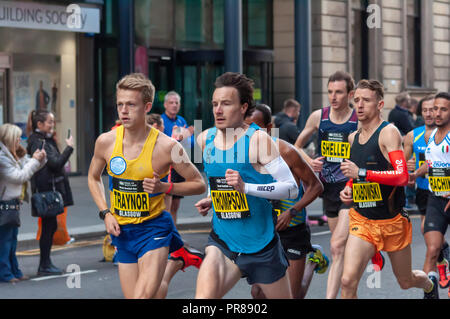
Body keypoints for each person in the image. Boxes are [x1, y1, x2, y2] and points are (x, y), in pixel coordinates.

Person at [87, 73, 206, 299]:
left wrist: (165, 188)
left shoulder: (167, 146)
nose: (123, 110)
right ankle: (176, 261)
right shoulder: (106, 141)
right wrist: (105, 213)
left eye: (131, 104)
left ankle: (173, 260)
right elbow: (93, 178)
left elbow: (199, 184)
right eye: (120, 104)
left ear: (146, 106)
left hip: (154, 229)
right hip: (122, 232)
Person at [194, 72, 299, 299]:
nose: (218, 110)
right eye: (214, 104)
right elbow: (219, 181)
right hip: (223, 243)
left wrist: (247, 188)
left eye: (226, 104)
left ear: (243, 107)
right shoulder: (205, 140)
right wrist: (212, 199)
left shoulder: (258, 140)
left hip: (261, 246)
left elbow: (291, 188)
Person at [339, 79, 433, 299]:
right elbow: (356, 174)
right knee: (347, 281)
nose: (360, 105)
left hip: (392, 221)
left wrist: (360, 174)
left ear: (379, 105)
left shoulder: (388, 133)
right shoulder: (353, 137)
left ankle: (429, 285)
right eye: (357, 100)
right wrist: (348, 187)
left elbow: (401, 177)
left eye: (366, 100)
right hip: (363, 220)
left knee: (405, 280)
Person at [294, 70, 363, 299]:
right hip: (328, 189)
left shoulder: (357, 120)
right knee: (339, 249)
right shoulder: (319, 117)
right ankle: (349, 288)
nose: (333, 97)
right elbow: (296, 147)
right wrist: (309, 160)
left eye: (339, 92)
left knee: (336, 245)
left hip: (351, 187)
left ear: (350, 94)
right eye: (330, 92)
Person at [246, 104, 326, 299]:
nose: (249, 134)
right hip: (265, 232)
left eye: (255, 128)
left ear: (269, 127)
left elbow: (316, 187)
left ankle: (314, 260)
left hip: (293, 229)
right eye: (245, 128)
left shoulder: (287, 152)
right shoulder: (243, 154)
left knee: (293, 296)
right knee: (257, 292)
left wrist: (292, 211)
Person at [409, 91, 450, 298]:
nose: (438, 113)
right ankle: (430, 292)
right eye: (436, 109)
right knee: (432, 248)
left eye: (443, 109)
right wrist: (415, 175)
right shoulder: (431, 137)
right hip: (436, 198)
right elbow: (431, 162)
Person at [27, 110, 74, 276]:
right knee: (48, 227)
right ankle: (44, 265)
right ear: (39, 124)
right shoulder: (39, 142)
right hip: (46, 191)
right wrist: (69, 147)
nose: (52, 125)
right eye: (50, 122)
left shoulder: (43, 140)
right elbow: (55, 164)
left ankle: (46, 263)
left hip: (48, 190)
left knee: (51, 226)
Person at [0, 124, 46, 282]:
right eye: (17, 137)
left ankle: (15, 272)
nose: (20, 139)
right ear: (9, 138)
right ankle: (6, 274)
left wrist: (40, 158)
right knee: (5, 242)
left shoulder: (13, 154)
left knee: (12, 241)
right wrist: (34, 160)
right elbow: (19, 176)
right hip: (4, 204)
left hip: (13, 203)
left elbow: (31, 167)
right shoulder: (2, 158)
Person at [403, 95, 436, 232]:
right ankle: (443, 249)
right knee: (426, 230)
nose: (428, 114)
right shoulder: (413, 135)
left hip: (445, 190)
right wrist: (409, 171)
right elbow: (402, 164)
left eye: (432, 110)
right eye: (424, 110)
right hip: (423, 189)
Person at [161, 91, 194, 225]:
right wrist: (181, 136)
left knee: (175, 205)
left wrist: (185, 136)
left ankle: (175, 235)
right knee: (166, 206)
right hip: (166, 166)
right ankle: (167, 236)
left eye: (176, 103)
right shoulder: (161, 121)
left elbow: (190, 144)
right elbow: (164, 143)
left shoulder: (181, 120)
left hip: (179, 165)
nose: (174, 105)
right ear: (165, 105)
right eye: (171, 102)